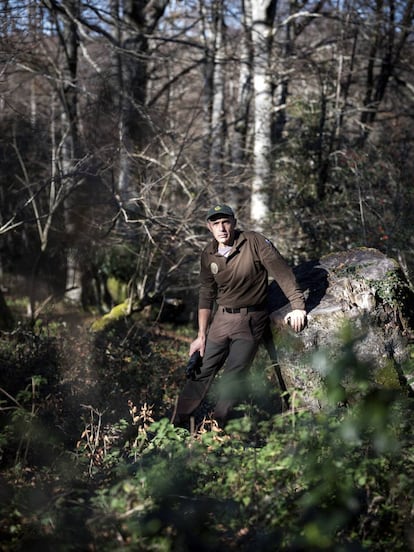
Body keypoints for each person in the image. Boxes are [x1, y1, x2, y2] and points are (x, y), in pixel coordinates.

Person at [173, 204, 306, 428]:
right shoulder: (208, 253)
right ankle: (176, 425)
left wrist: (298, 305)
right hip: (221, 320)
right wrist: (201, 335)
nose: (221, 228)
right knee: (201, 371)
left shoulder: (253, 242)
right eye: (216, 224)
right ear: (209, 227)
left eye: (225, 222)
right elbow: (206, 294)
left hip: (251, 320)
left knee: (233, 377)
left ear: (234, 223)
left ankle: (216, 430)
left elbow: (282, 272)